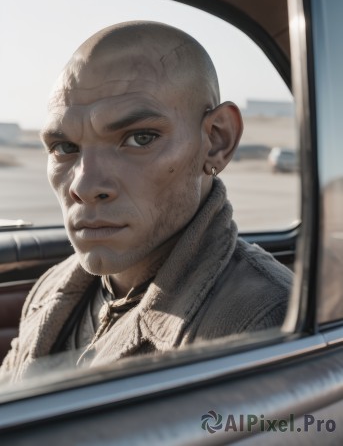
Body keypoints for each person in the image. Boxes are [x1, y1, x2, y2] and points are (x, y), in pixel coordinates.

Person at [1, 21, 292, 381]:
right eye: (64, 148)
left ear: (216, 141)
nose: (85, 185)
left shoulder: (264, 323)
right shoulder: (50, 288)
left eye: (140, 138)